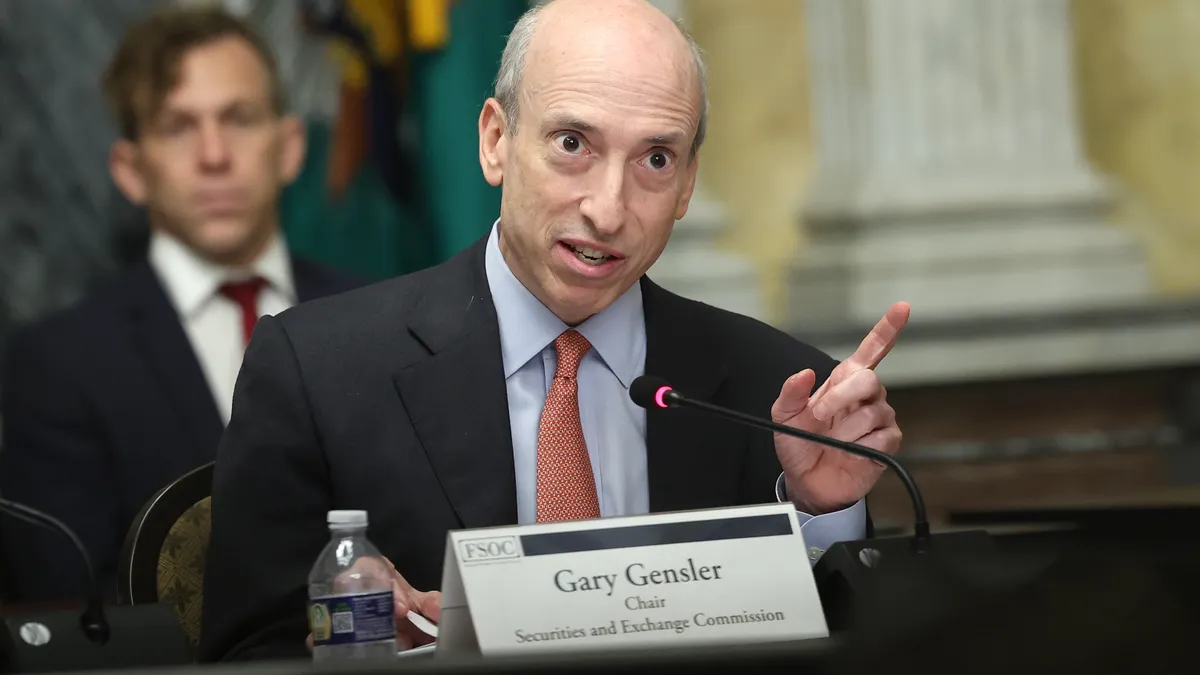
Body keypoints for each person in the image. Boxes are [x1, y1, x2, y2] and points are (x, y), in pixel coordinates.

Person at [198, 0, 908, 662]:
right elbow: (250, 649)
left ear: (689, 183)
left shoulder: (773, 392)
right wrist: (376, 635)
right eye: (573, 143)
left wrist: (823, 511)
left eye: (655, 160)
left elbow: (860, 649)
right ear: (496, 141)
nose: (608, 208)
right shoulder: (317, 370)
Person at [0, 6, 361, 603]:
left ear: (291, 146)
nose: (214, 155)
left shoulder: (377, 314)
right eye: (177, 126)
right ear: (131, 169)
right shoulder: (60, 365)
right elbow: (71, 610)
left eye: (239, 118)